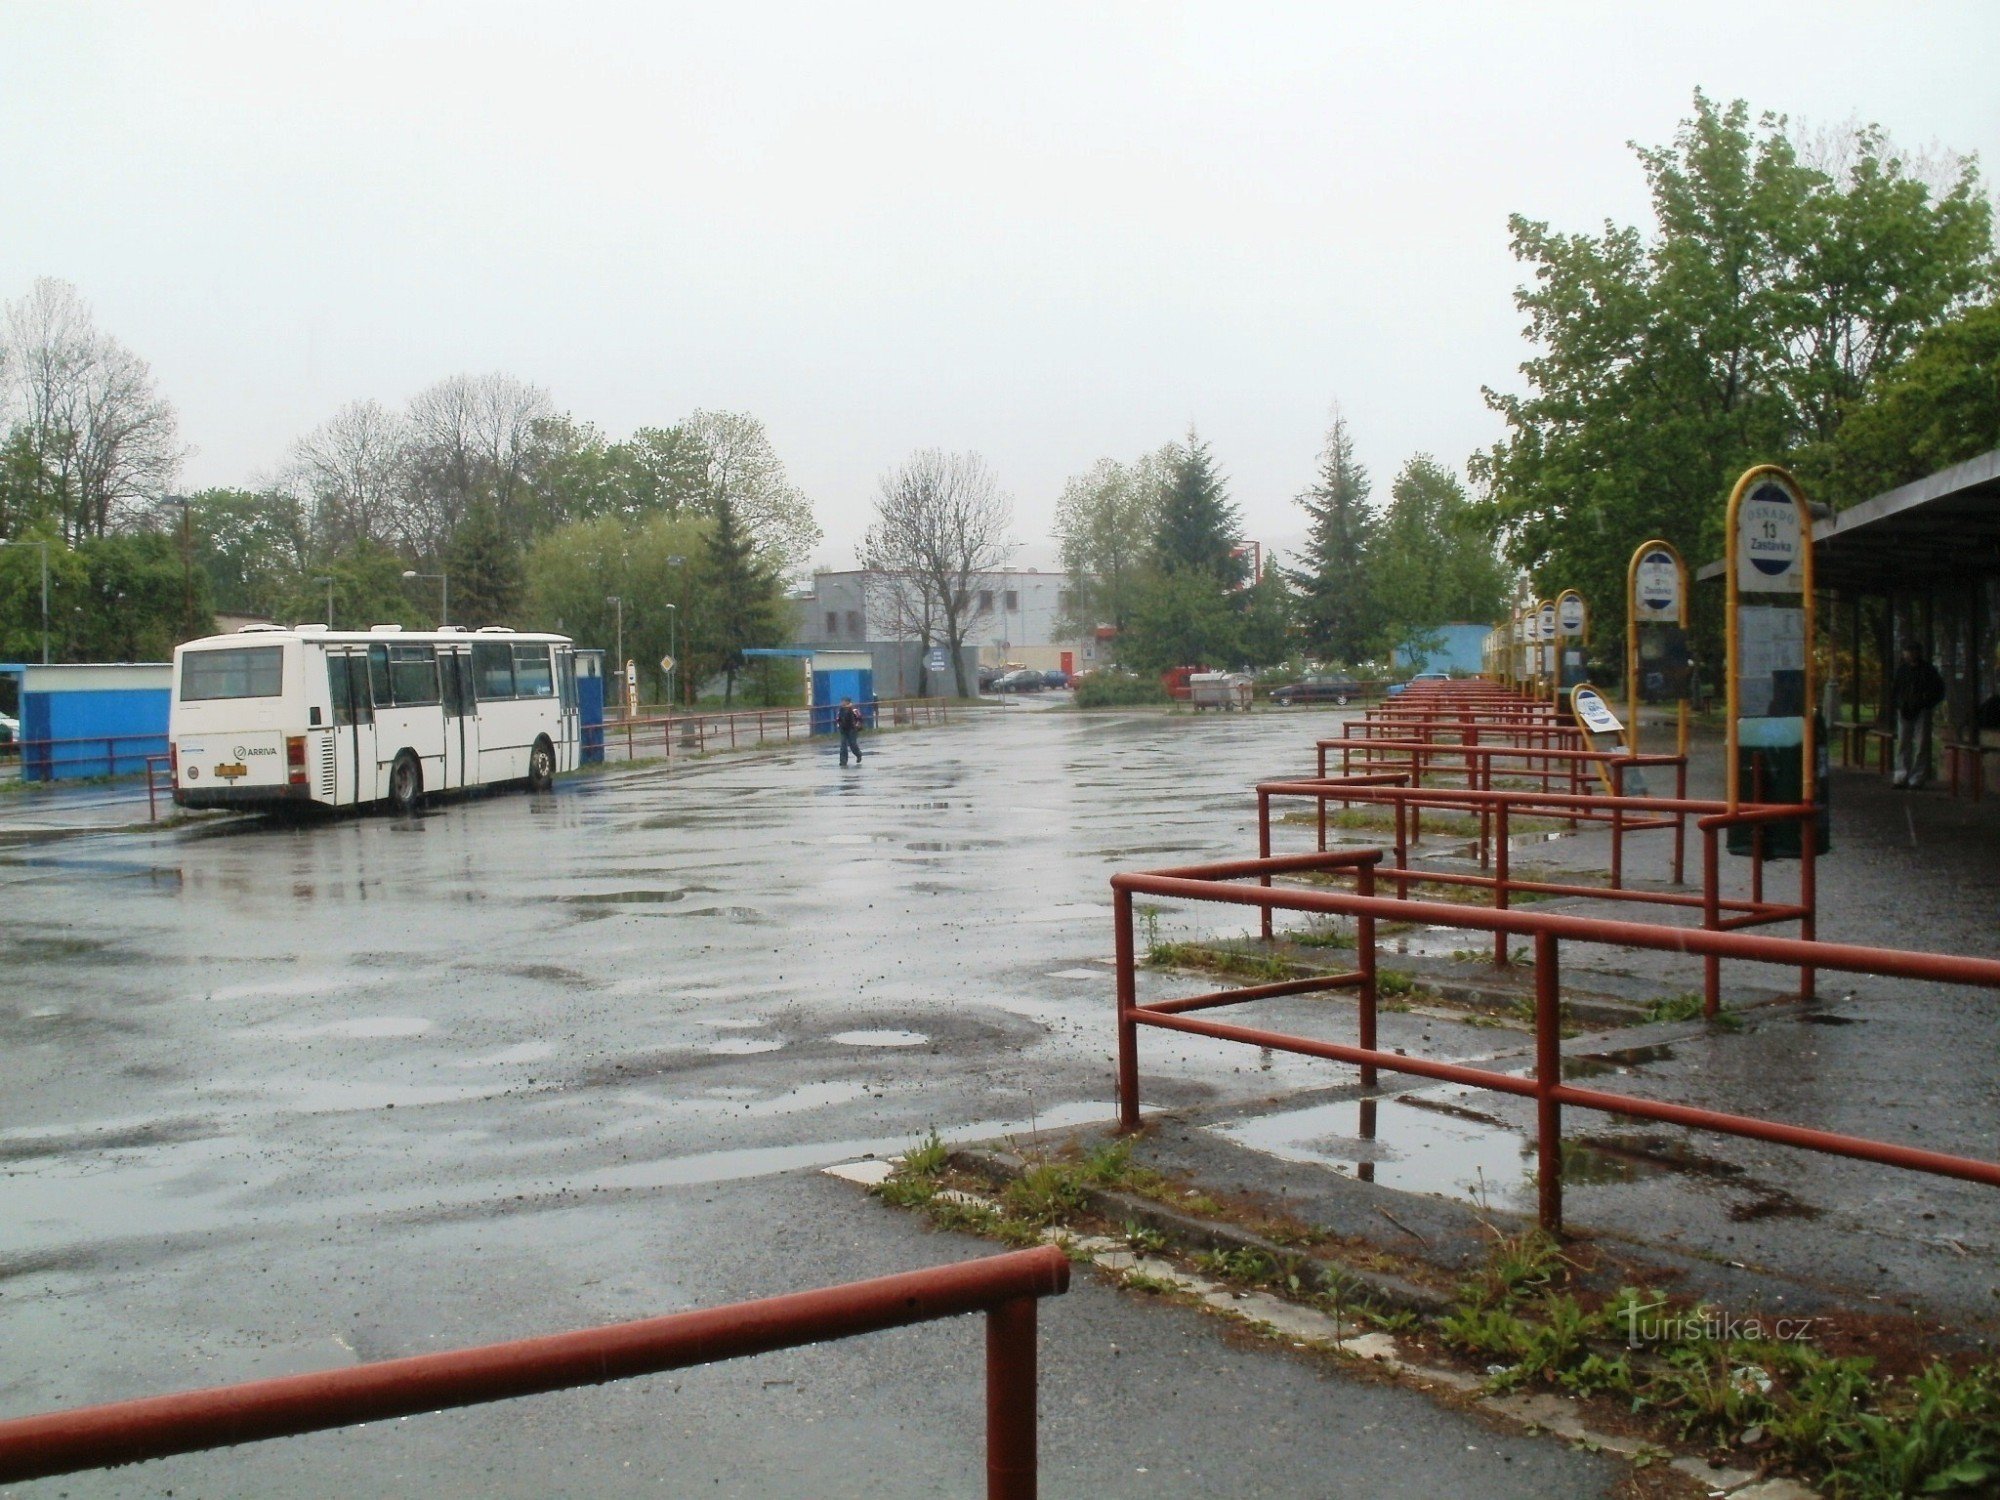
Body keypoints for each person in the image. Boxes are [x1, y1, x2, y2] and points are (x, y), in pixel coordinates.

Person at [1888, 642, 1945, 788]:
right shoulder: (1902, 670)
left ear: (1918, 653)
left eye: (1913, 651)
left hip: (1921, 710)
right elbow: (1895, 690)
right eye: (1908, 651)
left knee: (1921, 744)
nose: (1910, 654)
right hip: (1904, 710)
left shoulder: (1928, 670)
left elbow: (1939, 690)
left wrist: (1927, 704)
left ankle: (1917, 778)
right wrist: (1898, 705)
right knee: (1903, 743)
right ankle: (1901, 776)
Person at [836, 696, 864, 767]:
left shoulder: (854, 710)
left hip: (852, 729)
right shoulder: (840, 710)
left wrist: (857, 726)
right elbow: (838, 719)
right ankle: (843, 761)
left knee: (852, 744)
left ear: (848, 702)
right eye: (842, 701)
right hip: (843, 730)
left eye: (843, 701)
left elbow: (859, 718)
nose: (842, 702)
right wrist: (839, 726)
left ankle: (858, 754)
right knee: (843, 746)